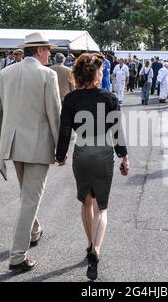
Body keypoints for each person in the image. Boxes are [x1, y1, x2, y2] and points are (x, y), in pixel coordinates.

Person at [0, 32, 61, 272]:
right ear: (39, 50)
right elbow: (54, 114)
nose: (50, 53)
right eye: (48, 49)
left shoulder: (6, 73)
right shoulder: (47, 75)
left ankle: (34, 230)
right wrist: (62, 148)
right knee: (30, 199)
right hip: (38, 145)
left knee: (27, 195)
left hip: (11, 144)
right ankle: (17, 257)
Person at [55, 53, 129, 281]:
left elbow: (65, 130)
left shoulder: (71, 99)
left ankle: (89, 245)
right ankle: (96, 249)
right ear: (97, 73)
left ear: (77, 74)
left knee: (86, 201)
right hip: (104, 151)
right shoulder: (109, 97)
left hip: (82, 152)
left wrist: (61, 155)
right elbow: (116, 131)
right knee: (101, 208)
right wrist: (124, 157)